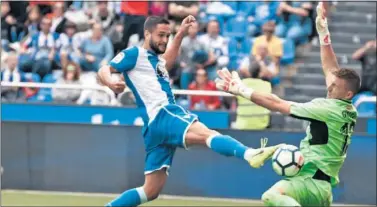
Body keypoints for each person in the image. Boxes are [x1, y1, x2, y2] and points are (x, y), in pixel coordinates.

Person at [97, 15, 283, 206]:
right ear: (147, 33)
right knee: (207, 134)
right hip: (164, 114)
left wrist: (180, 35)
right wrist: (111, 82)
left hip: (154, 126)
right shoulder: (134, 54)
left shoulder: (155, 61)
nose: (164, 40)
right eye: (160, 35)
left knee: (150, 190)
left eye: (167, 36)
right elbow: (105, 69)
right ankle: (249, 154)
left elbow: (166, 63)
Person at [215, 3, 360, 206]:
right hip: (323, 188)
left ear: (348, 93)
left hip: (309, 183)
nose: (329, 86)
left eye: (334, 86)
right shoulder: (348, 109)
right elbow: (331, 69)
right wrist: (323, 32)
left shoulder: (326, 109)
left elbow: (277, 104)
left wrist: (241, 90)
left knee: (271, 196)